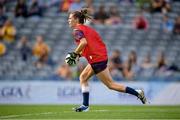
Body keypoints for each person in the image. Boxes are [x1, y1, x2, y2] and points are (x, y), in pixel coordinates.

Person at [65, 9, 147, 112]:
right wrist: (78, 55)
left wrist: (74, 54)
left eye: (70, 18)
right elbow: (90, 46)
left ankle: (137, 93)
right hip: (99, 57)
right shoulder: (87, 29)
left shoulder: (77, 30)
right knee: (83, 77)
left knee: (111, 85)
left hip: (97, 59)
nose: (68, 20)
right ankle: (85, 105)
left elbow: (83, 43)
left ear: (76, 19)